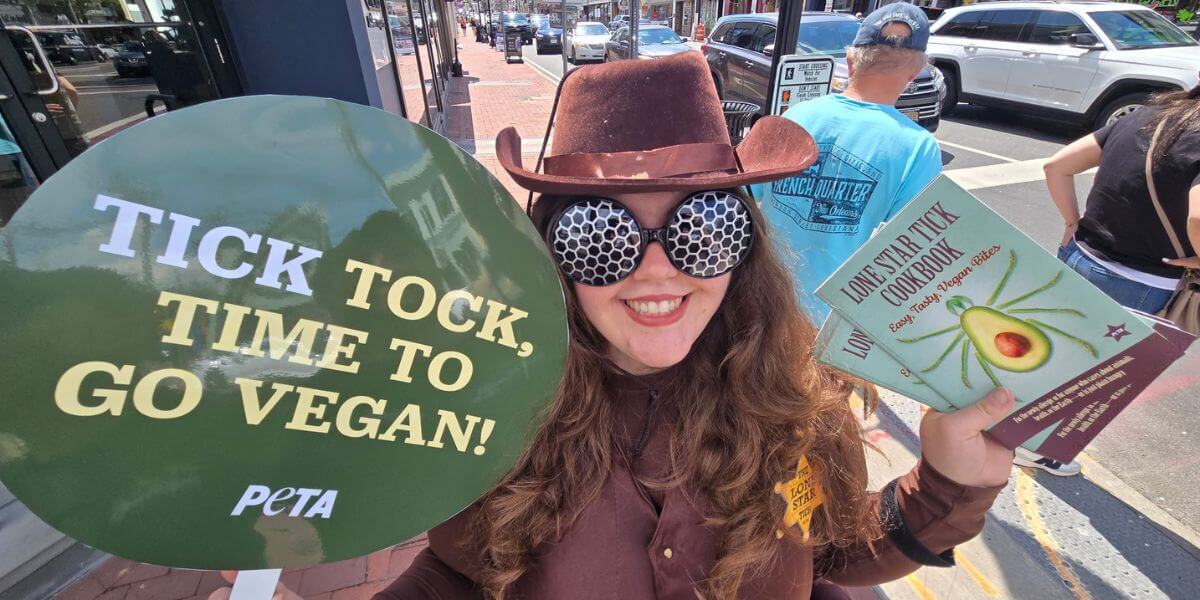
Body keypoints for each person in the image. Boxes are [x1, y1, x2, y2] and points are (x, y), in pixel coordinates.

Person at [377, 52, 1014, 599]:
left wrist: (947, 486)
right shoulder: (489, 410)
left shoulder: (798, 400)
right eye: (599, 234)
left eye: (705, 226)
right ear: (550, 254)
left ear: (747, 246)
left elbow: (828, 554)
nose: (658, 272)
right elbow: (456, 575)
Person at [751, 3, 942, 321]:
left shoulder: (797, 116)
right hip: (835, 320)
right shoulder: (918, 149)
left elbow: (753, 198)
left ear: (851, 61)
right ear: (913, 74)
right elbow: (907, 250)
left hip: (762, 299)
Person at [1044, 86, 1200, 313]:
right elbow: (1197, 218)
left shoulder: (1144, 115)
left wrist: (1071, 221)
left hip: (1079, 254)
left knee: (1052, 337)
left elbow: (1056, 166)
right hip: (1142, 284)